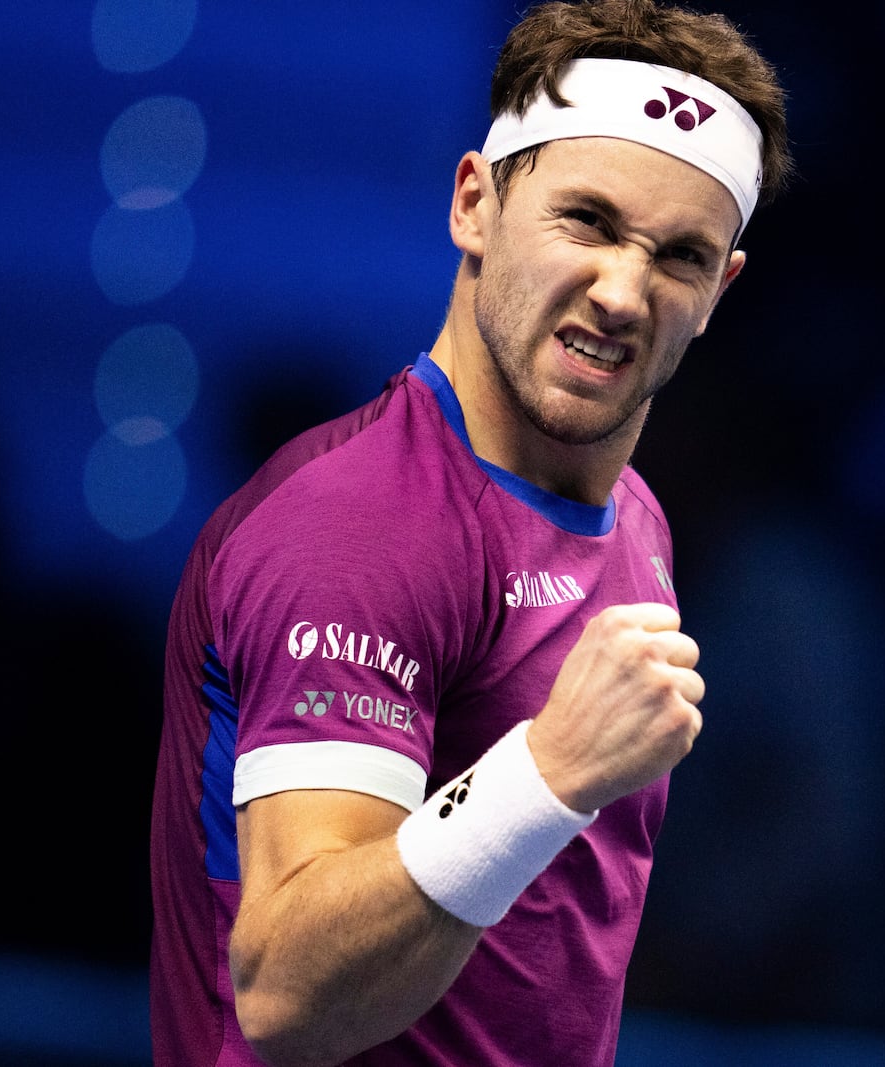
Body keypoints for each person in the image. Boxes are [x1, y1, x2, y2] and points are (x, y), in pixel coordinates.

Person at [147, 1, 792, 1063]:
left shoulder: (636, 520)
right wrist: (544, 773)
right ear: (475, 204)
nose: (624, 291)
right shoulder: (354, 522)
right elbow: (284, 991)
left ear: (719, 290)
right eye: (586, 221)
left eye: (678, 255)